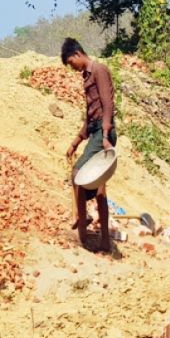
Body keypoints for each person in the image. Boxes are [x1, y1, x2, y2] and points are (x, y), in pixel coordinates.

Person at [63, 38, 117, 253]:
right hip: (95, 131)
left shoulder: (99, 70)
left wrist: (105, 136)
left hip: (103, 133)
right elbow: (89, 116)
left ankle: (81, 224)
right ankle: (103, 241)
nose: (72, 68)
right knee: (100, 188)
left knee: (78, 173)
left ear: (77, 54)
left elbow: (107, 104)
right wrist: (76, 142)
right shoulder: (86, 76)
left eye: (70, 63)